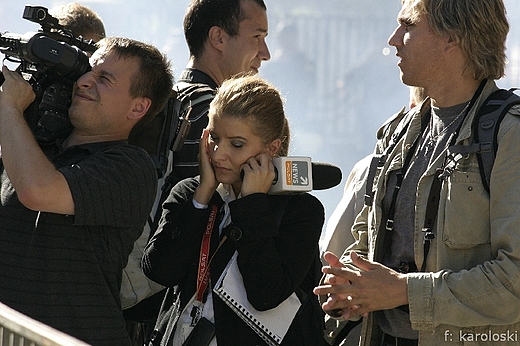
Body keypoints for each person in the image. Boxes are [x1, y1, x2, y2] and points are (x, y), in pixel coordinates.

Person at [314, 1, 520, 345]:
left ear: (451, 38)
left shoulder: (509, 137)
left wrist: (404, 291)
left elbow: (513, 281)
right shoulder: (398, 133)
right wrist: (351, 288)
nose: (394, 39)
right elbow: (365, 243)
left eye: (407, 26)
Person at [0, 36, 173, 345]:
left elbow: (37, 190)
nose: (83, 82)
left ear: (138, 107)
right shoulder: (31, 145)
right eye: (88, 70)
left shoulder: (130, 168)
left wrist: (10, 108)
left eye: (104, 79)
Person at [121, 0, 272, 336]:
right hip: (180, 308)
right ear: (218, 37)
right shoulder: (209, 115)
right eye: (257, 36)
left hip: (137, 301)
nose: (265, 53)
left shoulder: (166, 99)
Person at [142, 74, 327, 346]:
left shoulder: (301, 210)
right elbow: (159, 270)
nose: (218, 154)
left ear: (272, 148)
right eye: (214, 138)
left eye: (237, 144)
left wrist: (252, 206)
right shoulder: (190, 191)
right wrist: (202, 196)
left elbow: (266, 294)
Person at [320, 86, 427, 346]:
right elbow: (338, 259)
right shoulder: (375, 166)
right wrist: (341, 282)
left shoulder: (372, 166)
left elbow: (332, 247)